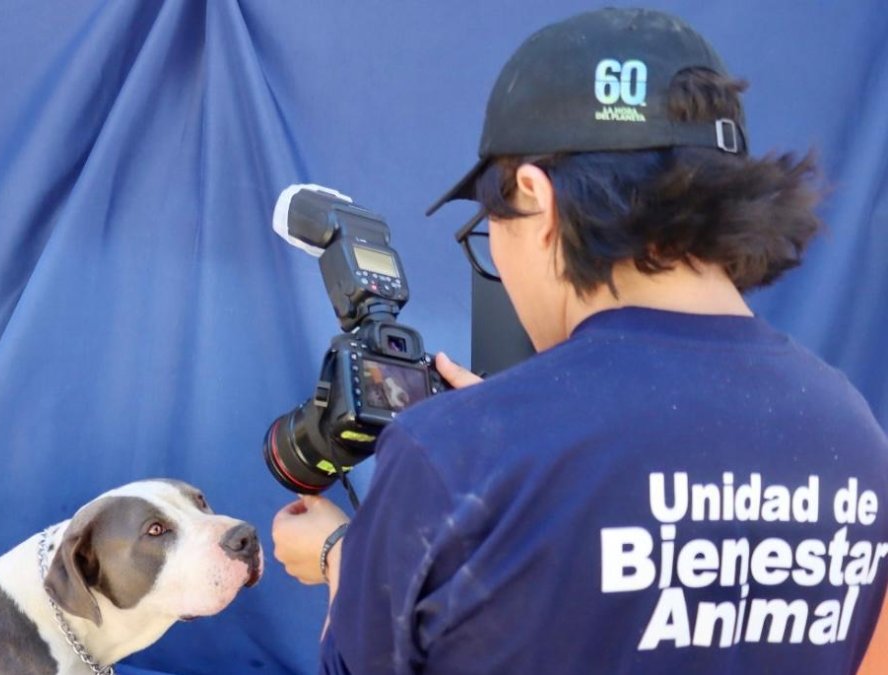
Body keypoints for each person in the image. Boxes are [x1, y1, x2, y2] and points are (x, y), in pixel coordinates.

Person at [271, 7, 888, 674]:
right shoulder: (855, 433)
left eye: (490, 227)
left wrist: (345, 553)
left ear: (535, 199)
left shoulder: (453, 456)